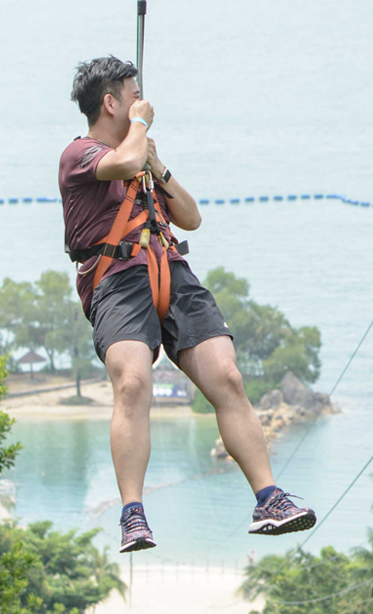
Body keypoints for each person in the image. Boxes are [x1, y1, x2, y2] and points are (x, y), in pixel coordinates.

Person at [59, 56, 315, 551]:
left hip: (170, 268)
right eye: (133, 94)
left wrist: (161, 166)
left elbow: (191, 218)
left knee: (228, 376)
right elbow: (124, 161)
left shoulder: (143, 157)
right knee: (133, 383)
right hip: (118, 278)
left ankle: (269, 499)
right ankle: (133, 513)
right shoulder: (80, 154)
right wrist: (138, 131)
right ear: (110, 103)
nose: (142, 102)